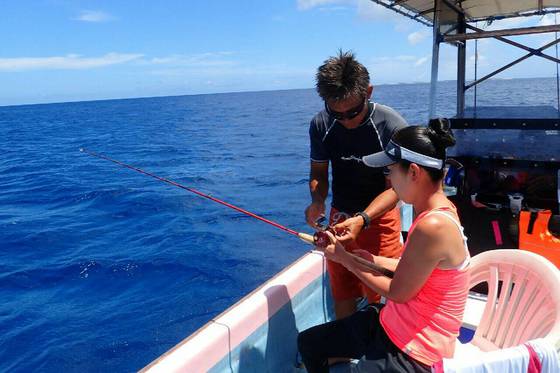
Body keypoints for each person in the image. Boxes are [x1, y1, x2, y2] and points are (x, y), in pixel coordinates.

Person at [298, 118, 471, 372]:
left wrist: (345, 259)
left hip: (415, 350)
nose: (388, 179)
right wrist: (370, 258)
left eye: (390, 171)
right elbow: (413, 268)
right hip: (394, 322)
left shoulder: (433, 226)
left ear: (413, 172)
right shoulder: (435, 212)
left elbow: (398, 292)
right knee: (309, 343)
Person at [305, 50, 408, 319]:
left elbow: (396, 188)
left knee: (378, 286)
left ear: (369, 92)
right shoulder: (320, 124)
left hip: (379, 218)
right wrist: (317, 201)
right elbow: (318, 171)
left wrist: (363, 218)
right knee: (343, 285)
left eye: (353, 112)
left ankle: (377, 350)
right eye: (336, 113)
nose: (346, 120)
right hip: (339, 215)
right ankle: (345, 347)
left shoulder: (391, 126)